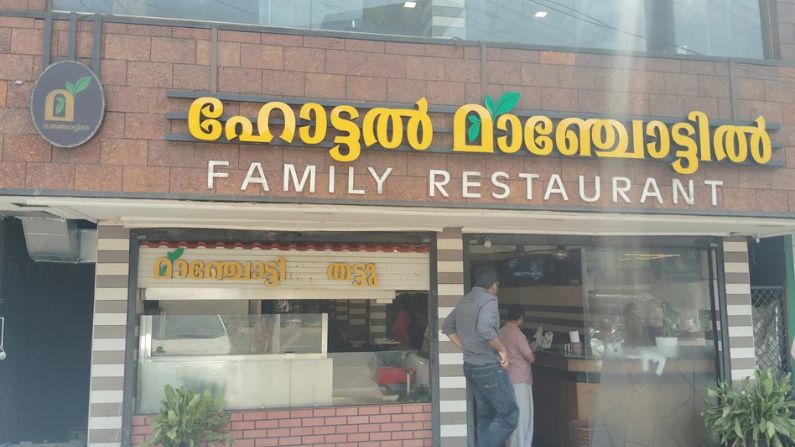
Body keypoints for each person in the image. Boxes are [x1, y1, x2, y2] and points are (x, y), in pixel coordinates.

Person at [442, 266, 518, 447]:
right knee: (509, 416)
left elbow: (447, 327)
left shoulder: (465, 300)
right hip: (488, 367)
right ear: (494, 285)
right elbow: (485, 330)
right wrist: (502, 349)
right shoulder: (489, 299)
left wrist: (467, 348)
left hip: (470, 366)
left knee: (486, 415)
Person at [499, 304, 535, 447]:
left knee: (510, 415)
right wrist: (533, 348)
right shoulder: (517, 334)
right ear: (520, 317)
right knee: (522, 417)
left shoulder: (501, 332)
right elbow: (530, 357)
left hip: (506, 378)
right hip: (520, 380)